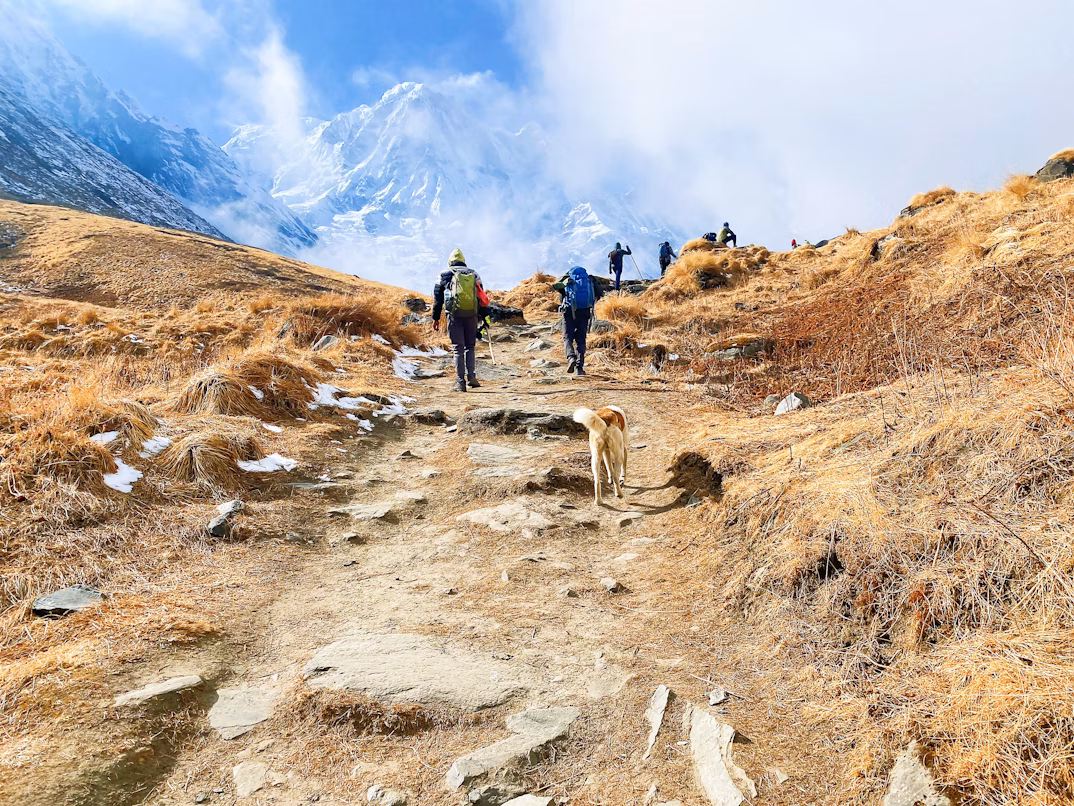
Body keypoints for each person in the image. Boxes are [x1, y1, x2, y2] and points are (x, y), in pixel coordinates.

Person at [431, 248, 489, 392]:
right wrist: (483, 318)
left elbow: (438, 300)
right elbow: (481, 297)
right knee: (470, 346)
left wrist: (435, 318)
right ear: (463, 261)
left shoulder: (444, 274)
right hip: (472, 315)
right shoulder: (473, 274)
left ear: (450, 261)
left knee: (458, 348)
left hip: (454, 316)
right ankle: (472, 377)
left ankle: (460, 381)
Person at [552, 265, 602, 375]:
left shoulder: (568, 280)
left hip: (569, 312)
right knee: (581, 340)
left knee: (567, 337)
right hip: (584, 312)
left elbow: (561, 296)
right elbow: (599, 294)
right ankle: (579, 368)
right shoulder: (589, 280)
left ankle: (571, 358)